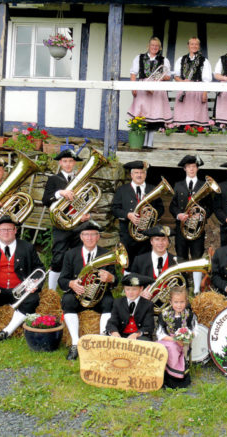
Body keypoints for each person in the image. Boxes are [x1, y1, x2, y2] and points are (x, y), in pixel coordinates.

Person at [59, 220, 116, 360]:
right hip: (78, 296)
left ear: (98, 237)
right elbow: (62, 280)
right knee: (67, 300)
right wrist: (71, 283)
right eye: (86, 235)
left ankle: (103, 342)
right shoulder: (71, 254)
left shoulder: (107, 254)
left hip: (100, 297)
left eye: (93, 235)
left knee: (110, 302)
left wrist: (111, 279)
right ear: (81, 237)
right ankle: (75, 343)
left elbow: (115, 282)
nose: (89, 238)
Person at [42, 149, 89, 291]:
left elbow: (86, 201)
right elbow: (45, 200)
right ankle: (51, 291)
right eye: (65, 161)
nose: (68, 164)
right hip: (61, 224)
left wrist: (85, 214)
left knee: (77, 255)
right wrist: (60, 193)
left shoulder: (80, 180)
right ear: (60, 163)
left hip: (78, 224)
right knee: (58, 256)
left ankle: (74, 287)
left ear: (74, 163)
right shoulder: (54, 179)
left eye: (70, 161)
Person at [169, 155, 213, 294]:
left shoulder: (203, 185)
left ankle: (196, 290)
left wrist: (202, 215)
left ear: (197, 168)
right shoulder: (178, 185)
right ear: (185, 169)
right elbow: (172, 206)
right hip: (181, 229)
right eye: (189, 167)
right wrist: (178, 215)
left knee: (197, 257)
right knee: (181, 256)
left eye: (194, 167)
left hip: (197, 230)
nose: (191, 169)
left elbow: (210, 206)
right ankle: (183, 287)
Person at [111, 160, 165, 270]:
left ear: (145, 174)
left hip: (147, 234)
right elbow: (115, 209)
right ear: (131, 174)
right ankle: (128, 285)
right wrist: (128, 215)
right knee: (128, 262)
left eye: (142, 172)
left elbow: (161, 209)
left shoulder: (152, 189)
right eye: (136, 172)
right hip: (128, 233)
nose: (139, 175)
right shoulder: (122, 190)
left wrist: (152, 214)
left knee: (146, 261)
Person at [127, 36, 173, 149]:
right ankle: (142, 142)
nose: (154, 47)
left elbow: (167, 76)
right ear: (148, 46)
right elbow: (133, 74)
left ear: (160, 47)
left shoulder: (164, 60)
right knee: (142, 114)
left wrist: (160, 77)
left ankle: (151, 142)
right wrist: (134, 87)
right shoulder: (139, 58)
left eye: (157, 46)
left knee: (156, 114)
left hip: (157, 90)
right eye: (152, 45)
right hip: (143, 88)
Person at [157, 285, 196, 389]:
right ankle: (161, 375)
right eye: (176, 302)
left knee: (175, 349)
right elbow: (160, 334)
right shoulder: (165, 314)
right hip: (167, 340)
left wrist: (186, 338)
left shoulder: (188, 314)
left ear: (186, 302)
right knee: (166, 348)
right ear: (170, 302)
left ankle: (173, 378)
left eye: (182, 302)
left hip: (183, 343)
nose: (179, 305)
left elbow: (194, 331)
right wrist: (174, 339)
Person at [173, 37, 212, 128]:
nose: (194, 46)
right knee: (183, 120)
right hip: (184, 91)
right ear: (188, 45)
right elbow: (176, 76)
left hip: (197, 91)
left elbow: (207, 80)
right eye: (192, 44)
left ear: (199, 46)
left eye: (196, 44)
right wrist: (182, 81)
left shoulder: (204, 61)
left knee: (196, 121)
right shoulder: (181, 59)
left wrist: (205, 93)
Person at [106, 273, 155, 340]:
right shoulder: (118, 302)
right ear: (124, 289)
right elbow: (112, 322)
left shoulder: (148, 304)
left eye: (134, 289)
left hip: (139, 337)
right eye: (127, 289)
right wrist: (114, 332)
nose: (130, 293)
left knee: (143, 341)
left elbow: (149, 327)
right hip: (121, 335)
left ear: (141, 289)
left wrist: (136, 334)